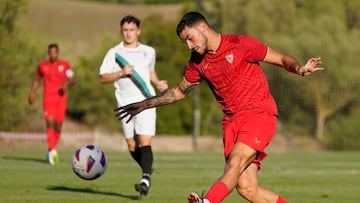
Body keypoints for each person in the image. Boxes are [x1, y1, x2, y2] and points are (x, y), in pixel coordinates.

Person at [116, 11, 324, 203]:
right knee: (247, 188)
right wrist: (144, 104)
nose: (189, 45)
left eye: (190, 38)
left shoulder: (240, 44)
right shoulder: (197, 61)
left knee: (236, 162)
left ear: (204, 28)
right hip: (231, 122)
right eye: (184, 42)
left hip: (258, 113)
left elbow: (280, 58)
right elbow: (179, 91)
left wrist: (299, 68)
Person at [99, 15, 168, 196]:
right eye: (125, 30)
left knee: (145, 141)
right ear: (121, 31)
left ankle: (145, 178)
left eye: (132, 30)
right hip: (125, 104)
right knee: (131, 146)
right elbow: (102, 77)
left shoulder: (149, 51)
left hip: (146, 101)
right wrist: (121, 72)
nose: (128, 34)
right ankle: (147, 168)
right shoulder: (114, 53)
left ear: (138, 31)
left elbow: (151, 72)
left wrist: (158, 82)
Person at [28, 43, 74, 165]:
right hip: (48, 98)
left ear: (58, 53)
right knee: (50, 122)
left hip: (61, 99)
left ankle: (51, 148)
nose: (53, 54)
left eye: (55, 52)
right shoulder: (43, 66)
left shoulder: (65, 65)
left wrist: (66, 84)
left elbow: (72, 79)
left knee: (58, 126)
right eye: (51, 52)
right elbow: (37, 80)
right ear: (48, 53)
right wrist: (32, 93)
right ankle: (53, 150)